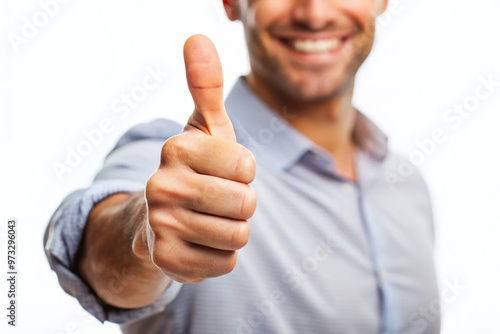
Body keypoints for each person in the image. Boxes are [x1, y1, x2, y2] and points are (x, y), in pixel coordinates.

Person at [44, 0, 440, 333]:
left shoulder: (406, 185)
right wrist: (143, 234)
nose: (315, 14)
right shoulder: (180, 165)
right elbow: (95, 238)